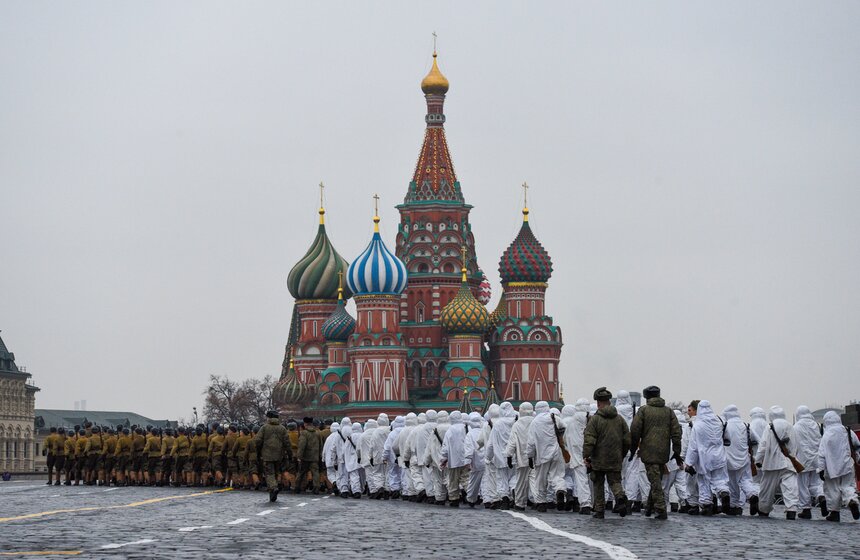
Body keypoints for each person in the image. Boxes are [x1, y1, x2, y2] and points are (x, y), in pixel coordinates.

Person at [629, 385, 682, 519]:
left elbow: (635, 431)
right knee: (656, 478)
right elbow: (676, 432)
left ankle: (660, 508)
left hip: (649, 451)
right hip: (663, 451)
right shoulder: (669, 411)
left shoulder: (643, 411)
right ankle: (649, 508)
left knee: (654, 481)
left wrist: (633, 449)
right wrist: (676, 451)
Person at [583, 387, 630, 519]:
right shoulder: (620, 419)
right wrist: (622, 453)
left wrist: (586, 456)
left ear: (598, 403)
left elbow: (589, 440)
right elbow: (627, 439)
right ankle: (620, 497)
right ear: (609, 402)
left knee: (598, 482)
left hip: (598, 458)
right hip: (615, 456)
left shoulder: (595, 420)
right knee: (615, 481)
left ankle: (599, 510)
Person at [684, 400, 730, 515]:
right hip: (719, 455)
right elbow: (727, 438)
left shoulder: (697, 425)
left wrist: (689, 463)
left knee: (704, 481)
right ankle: (723, 492)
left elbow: (693, 447)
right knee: (719, 479)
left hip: (704, 457)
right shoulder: (719, 421)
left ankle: (706, 505)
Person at [754, 406, 800, 519]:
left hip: (772, 464)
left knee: (766, 490)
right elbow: (795, 445)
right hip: (788, 462)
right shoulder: (791, 426)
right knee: (790, 488)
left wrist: (758, 460)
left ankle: (764, 510)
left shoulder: (769, 427)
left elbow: (763, 446)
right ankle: (791, 509)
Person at [818, 411, 860, 522]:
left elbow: (821, 454)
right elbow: (857, 445)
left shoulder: (826, 434)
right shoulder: (847, 430)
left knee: (833, 490)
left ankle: (834, 512)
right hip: (847, 465)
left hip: (831, 468)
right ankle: (852, 500)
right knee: (848, 486)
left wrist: (820, 469)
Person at [526, 401, 567, 512]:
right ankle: (560, 489)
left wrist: (530, 456)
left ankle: (541, 503)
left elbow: (531, 442)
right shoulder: (554, 417)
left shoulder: (535, 422)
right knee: (557, 475)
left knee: (540, 479)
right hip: (556, 452)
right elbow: (563, 427)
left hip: (541, 455)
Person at [721, 405, 759, 516]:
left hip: (728, 458)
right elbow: (756, 440)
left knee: (732, 483)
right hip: (744, 458)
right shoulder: (745, 425)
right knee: (745, 480)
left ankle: (734, 505)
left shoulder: (725, 426)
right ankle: (752, 495)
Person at [793, 405, 824, 519]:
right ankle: (821, 496)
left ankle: (806, 509)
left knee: (802, 485)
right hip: (816, 459)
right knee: (816, 484)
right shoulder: (815, 425)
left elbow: (794, 445)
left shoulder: (796, 427)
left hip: (802, 460)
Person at [255, 410, 292, 502]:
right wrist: (289, 454)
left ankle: (273, 487)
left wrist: (258, 451)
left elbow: (258, 440)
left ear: (269, 418)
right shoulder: (282, 428)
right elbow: (287, 443)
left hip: (267, 455)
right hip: (279, 455)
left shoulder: (264, 428)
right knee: (276, 472)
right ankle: (272, 492)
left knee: (269, 473)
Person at [506, 401, 535, 512]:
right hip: (534, 457)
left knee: (521, 482)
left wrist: (509, 455)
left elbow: (512, 442)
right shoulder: (535, 422)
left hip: (521, 457)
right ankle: (539, 501)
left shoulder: (517, 424)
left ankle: (520, 503)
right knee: (534, 480)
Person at [423, 410, 450, 505]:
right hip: (449, 459)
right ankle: (452, 496)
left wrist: (426, 460)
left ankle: (440, 498)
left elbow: (429, 447)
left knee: (437, 480)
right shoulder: (451, 428)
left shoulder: (435, 430)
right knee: (449, 478)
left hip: (436, 460)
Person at [463, 411, 485, 507]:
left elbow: (469, 449)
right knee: (486, 480)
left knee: (473, 481)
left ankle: (471, 498)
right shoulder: (484, 431)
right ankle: (486, 498)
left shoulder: (470, 434)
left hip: (476, 460)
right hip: (486, 459)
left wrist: (468, 461)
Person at [296, 417, 321, 494]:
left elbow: (301, 445)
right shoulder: (317, 433)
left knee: (301, 472)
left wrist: (299, 456)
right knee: (315, 473)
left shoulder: (304, 433)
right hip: (314, 457)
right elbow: (320, 445)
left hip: (305, 457)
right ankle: (316, 487)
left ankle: (297, 487)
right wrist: (319, 454)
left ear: (305, 424)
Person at [359, 418, 382, 497]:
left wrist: (359, 457)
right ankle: (379, 488)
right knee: (378, 474)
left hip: (366, 459)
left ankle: (373, 491)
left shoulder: (363, 435)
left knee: (369, 476)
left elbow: (358, 448)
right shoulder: (377, 433)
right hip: (377, 457)